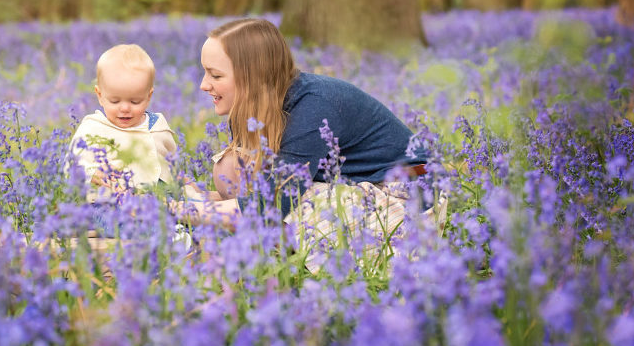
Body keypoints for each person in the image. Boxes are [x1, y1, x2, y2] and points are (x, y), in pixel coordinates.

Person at [188, 18, 437, 247]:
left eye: (215, 75)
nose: (203, 84)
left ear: (252, 77)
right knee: (231, 166)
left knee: (293, 208)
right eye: (205, 71)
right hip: (354, 187)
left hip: (408, 197)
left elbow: (272, 204)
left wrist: (186, 210)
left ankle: (270, 252)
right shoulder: (251, 110)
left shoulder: (312, 106)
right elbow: (262, 187)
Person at [69, 44, 177, 235]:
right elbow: (72, 165)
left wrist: (178, 183)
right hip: (107, 204)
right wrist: (93, 173)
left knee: (184, 207)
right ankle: (165, 235)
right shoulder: (93, 127)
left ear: (149, 96)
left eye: (135, 101)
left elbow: (171, 161)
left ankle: (173, 229)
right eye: (115, 101)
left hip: (154, 201)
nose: (125, 108)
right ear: (100, 95)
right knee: (118, 222)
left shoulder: (156, 125)